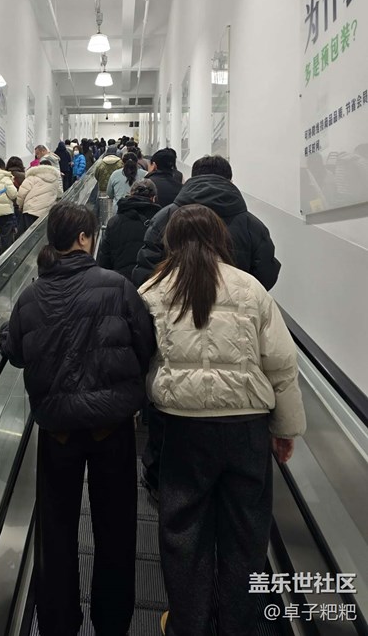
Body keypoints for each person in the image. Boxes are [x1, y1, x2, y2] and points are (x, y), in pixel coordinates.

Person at [138, 205, 306, 636]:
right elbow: (281, 363)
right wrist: (285, 429)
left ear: (170, 242)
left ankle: (187, 624)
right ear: (220, 239)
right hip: (246, 428)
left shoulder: (152, 291)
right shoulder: (250, 288)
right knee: (246, 534)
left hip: (183, 428)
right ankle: (238, 625)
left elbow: (140, 357)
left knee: (182, 531)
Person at [0, 202, 155, 636]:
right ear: (85, 238)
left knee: (57, 530)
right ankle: (112, 621)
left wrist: (7, 335)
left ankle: (59, 622)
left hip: (58, 431)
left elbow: (16, 353)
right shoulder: (118, 287)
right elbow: (145, 344)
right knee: (116, 527)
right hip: (112, 428)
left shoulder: (31, 295)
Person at [132, 155, 281, 290]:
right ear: (230, 181)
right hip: (236, 309)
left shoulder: (165, 217)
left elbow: (147, 269)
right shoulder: (252, 225)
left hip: (174, 307)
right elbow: (265, 275)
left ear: (193, 178)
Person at [97, 180, 160, 281]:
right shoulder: (160, 222)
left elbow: (104, 260)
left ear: (130, 195)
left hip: (120, 282)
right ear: (154, 198)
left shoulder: (114, 222)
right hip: (150, 282)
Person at [17, 154, 63, 229]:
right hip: (46, 213)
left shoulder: (32, 177)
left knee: (28, 233)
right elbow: (60, 194)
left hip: (31, 210)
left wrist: (20, 205)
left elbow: (22, 192)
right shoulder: (55, 180)